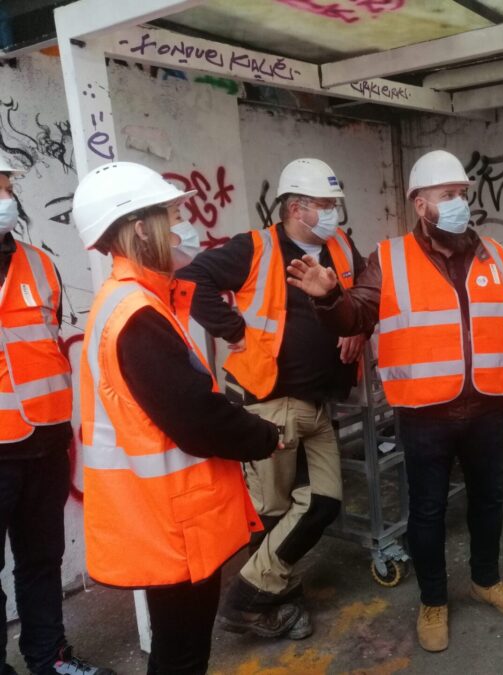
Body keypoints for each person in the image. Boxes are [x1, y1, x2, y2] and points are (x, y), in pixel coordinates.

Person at [286, 149, 503, 653]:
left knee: (490, 500)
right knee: (427, 511)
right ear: (420, 204)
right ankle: (434, 600)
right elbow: (357, 315)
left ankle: (486, 580)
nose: (459, 203)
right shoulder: (389, 258)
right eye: (447, 196)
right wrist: (329, 299)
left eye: (462, 194)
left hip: (488, 404)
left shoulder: (495, 253)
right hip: (425, 411)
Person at [72, 161, 282, 675]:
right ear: (140, 228)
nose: (181, 225)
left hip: (163, 518)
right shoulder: (138, 315)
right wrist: (264, 435)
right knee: (182, 656)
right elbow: (194, 418)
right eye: (169, 214)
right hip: (172, 524)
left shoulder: (131, 302)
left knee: (176, 649)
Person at [176, 158, 367, 640]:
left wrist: (360, 329)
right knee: (273, 511)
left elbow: (367, 295)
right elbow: (192, 280)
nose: (334, 215)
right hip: (268, 401)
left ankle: (249, 595)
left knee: (322, 502)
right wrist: (232, 329)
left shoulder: (340, 245)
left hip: (319, 401)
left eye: (335, 205)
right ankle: (262, 603)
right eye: (326, 206)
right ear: (297, 208)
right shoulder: (254, 248)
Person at [0, 157, 112, 675]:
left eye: (8, 185)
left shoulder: (40, 263)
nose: (7, 196)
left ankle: (49, 659)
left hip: (43, 443)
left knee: (41, 562)